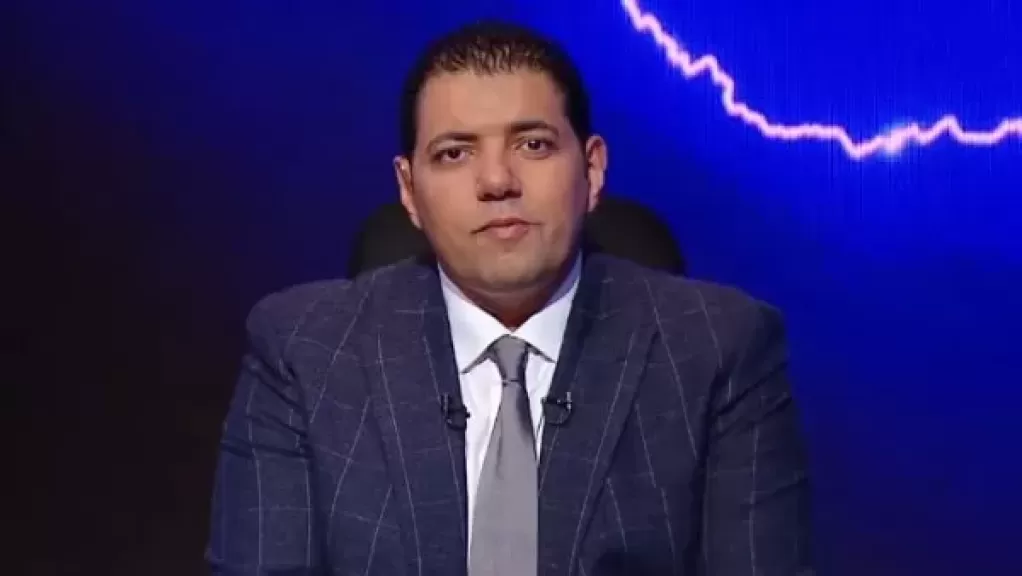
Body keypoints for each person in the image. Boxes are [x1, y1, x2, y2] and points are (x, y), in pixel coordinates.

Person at [207, 20, 813, 576]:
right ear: (409, 191)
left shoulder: (720, 348)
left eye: (533, 145)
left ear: (592, 170)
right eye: (454, 153)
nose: (497, 181)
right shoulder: (303, 351)